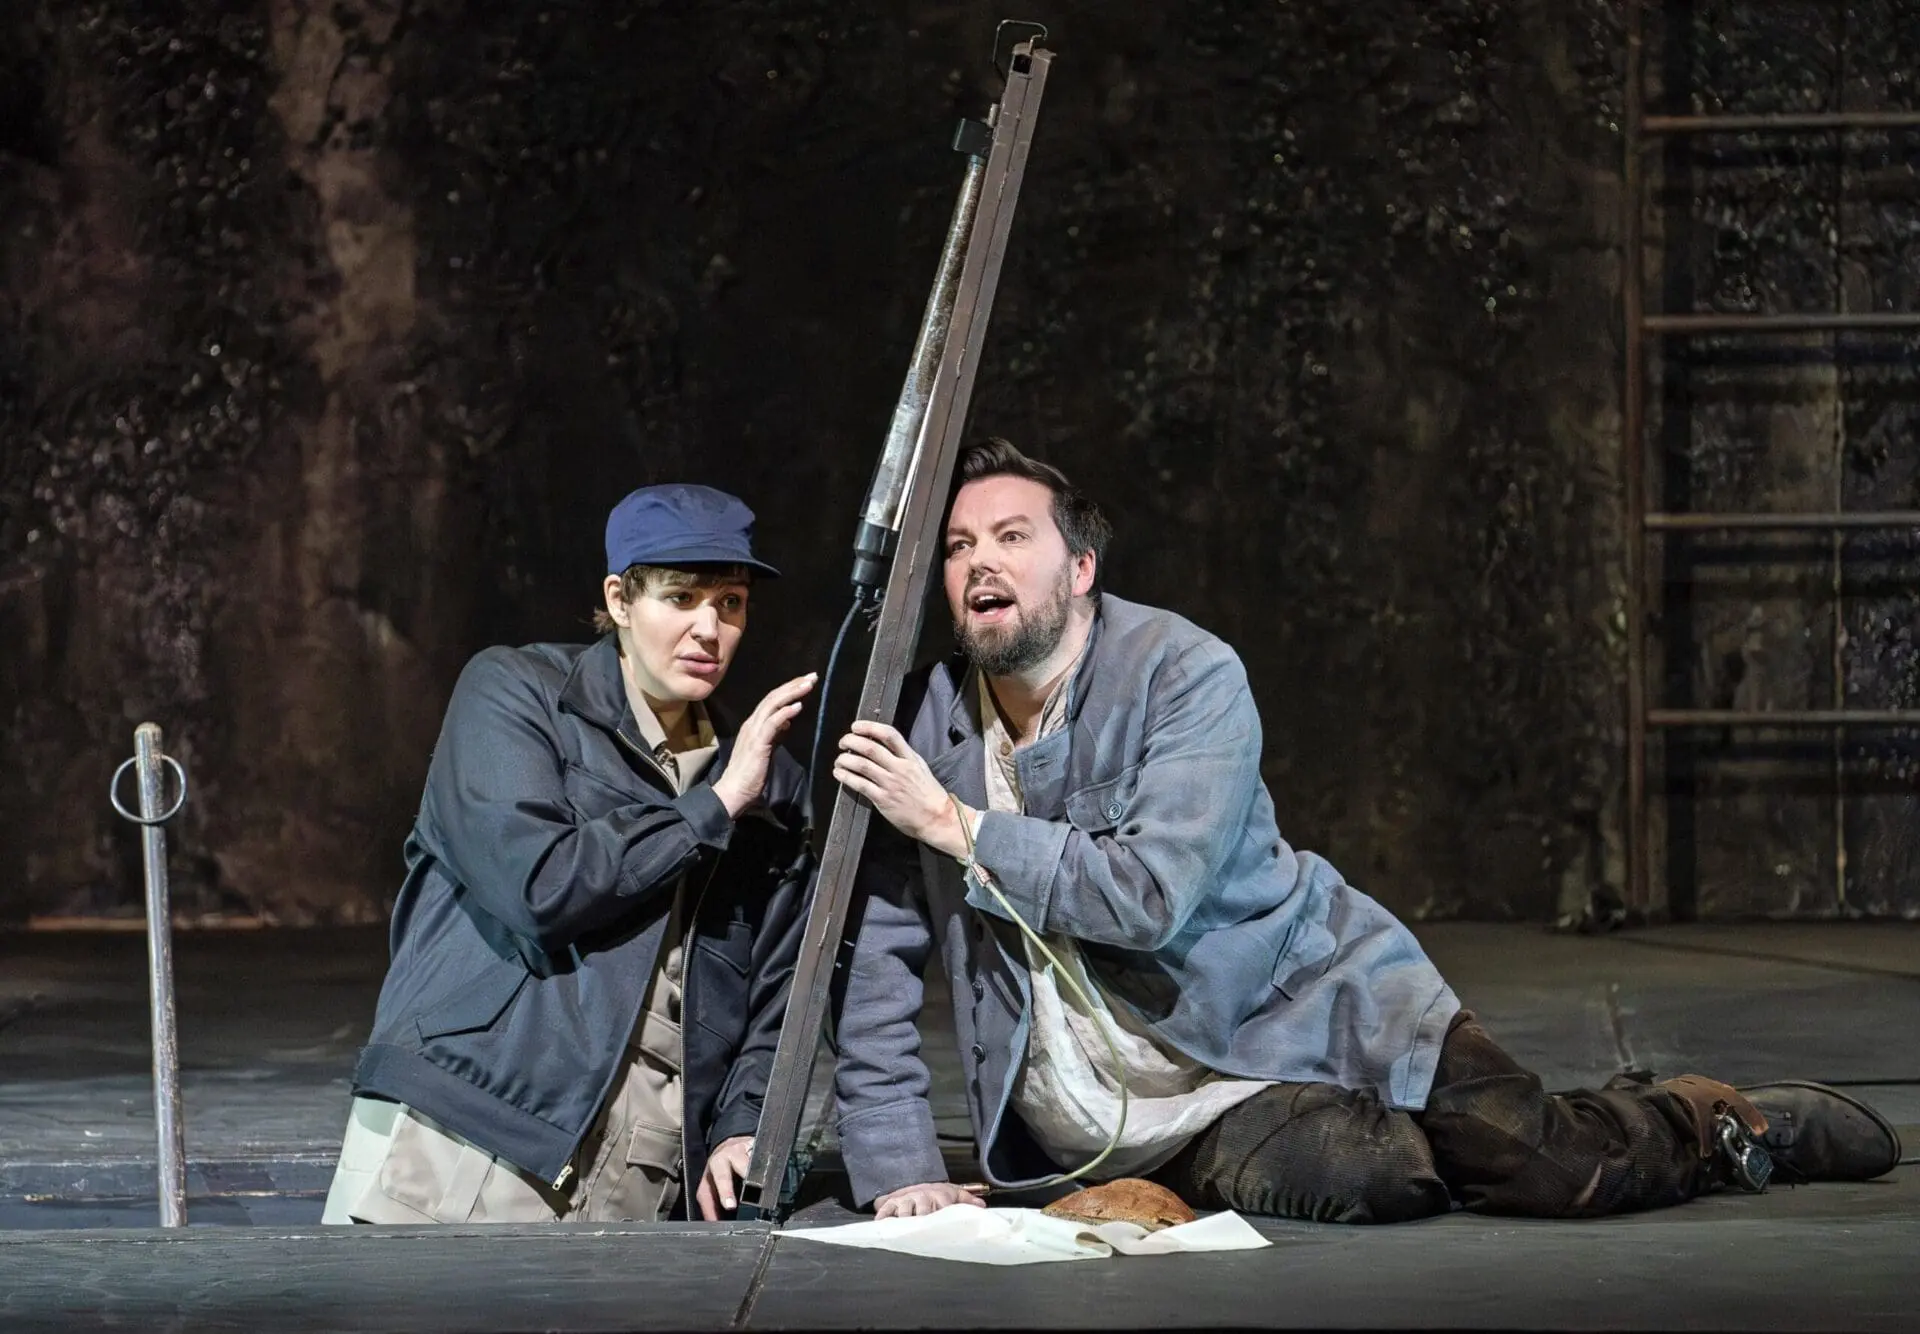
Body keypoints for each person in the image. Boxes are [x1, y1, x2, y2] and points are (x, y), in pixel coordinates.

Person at [828, 438, 1903, 1224]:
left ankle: (1708, 1120)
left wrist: (959, 825)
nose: (980, 563)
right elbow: (877, 953)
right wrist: (898, 1166)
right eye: (959, 545)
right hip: (1133, 1110)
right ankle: (1293, 1149)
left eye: (1012, 537)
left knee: (1541, 1164)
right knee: (1371, 1175)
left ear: (1080, 568)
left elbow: (1149, 894)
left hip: (1305, 1000)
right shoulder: (926, 722)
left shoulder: (1183, 673)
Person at [323, 484, 816, 1224]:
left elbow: (782, 987)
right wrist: (711, 808)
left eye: (730, 603)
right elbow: (538, 887)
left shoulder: (767, 783)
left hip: (641, 1163)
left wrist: (744, 1122)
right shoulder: (518, 694)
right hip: (469, 1123)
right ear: (620, 600)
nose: (709, 629)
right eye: (681, 598)